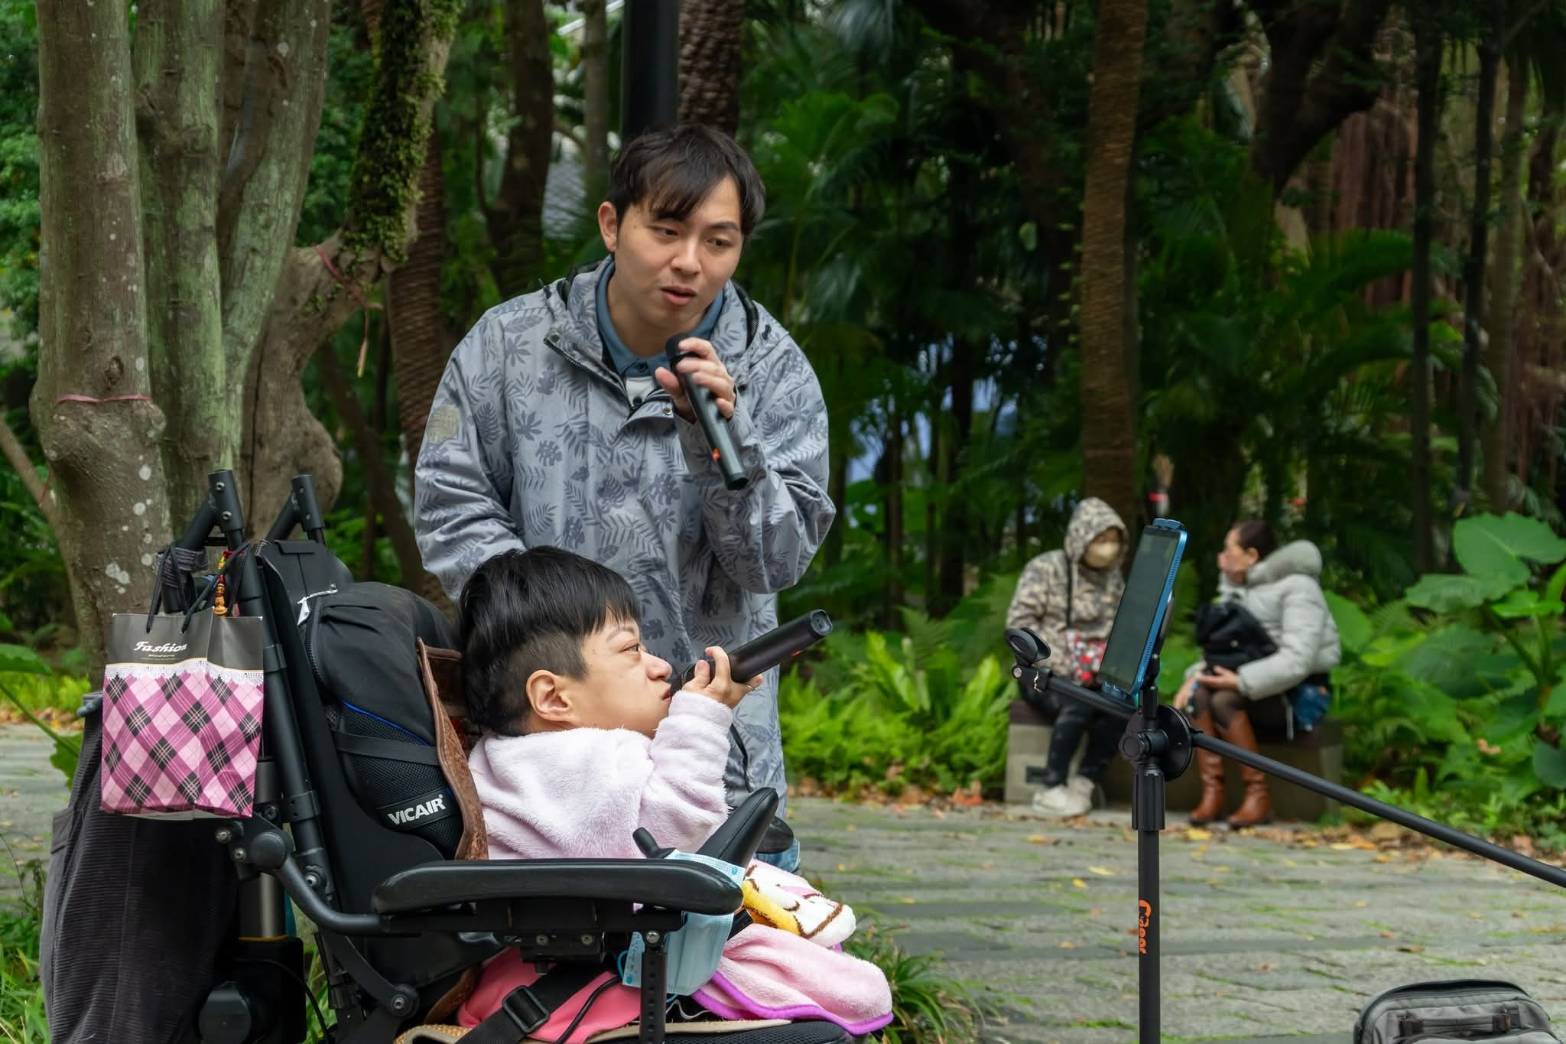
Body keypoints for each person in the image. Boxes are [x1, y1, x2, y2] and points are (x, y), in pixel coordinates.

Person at [414, 125, 835, 872]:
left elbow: (775, 561)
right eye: (666, 231)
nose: (689, 261)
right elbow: (451, 506)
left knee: (727, 948)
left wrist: (723, 443)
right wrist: (562, 639)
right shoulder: (507, 347)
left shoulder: (775, 371)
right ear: (612, 224)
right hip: (548, 768)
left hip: (717, 772)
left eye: (718, 241)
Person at [453, 548, 892, 1039]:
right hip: (605, 969)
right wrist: (702, 717)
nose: (660, 666)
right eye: (631, 650)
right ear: (554, 698)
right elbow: (677, 836)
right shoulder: (564, 764)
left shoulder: (533, 759)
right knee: (841, 988)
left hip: (598, 946)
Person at [1174, 521, 1341, 828]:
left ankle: (1258, 795)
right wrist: (1194, 677)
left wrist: (1241, 681)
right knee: (1200, 696)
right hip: (1255, 692)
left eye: (1229, 550)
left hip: (1300, 695)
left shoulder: (1299, 588)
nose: (1221, 557)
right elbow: (1222, 651)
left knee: (1223, 700)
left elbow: (1298, 660)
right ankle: (1213, 792)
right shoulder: (1237, 589)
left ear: (1251, 555)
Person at [1006, 497, 1128, 817]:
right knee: (1079, 701)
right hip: (1044, 672)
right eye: (1101, 539)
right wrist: (1063, 663)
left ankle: (1085, 781)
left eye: (1114, 540)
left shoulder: (1113, 577)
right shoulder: (1046, 569)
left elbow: (1118, 627)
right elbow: (1020, 624)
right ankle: (1051, 787)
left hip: (1097, 672)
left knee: (1124, 705)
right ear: (1082, 537)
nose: (1108, 548)